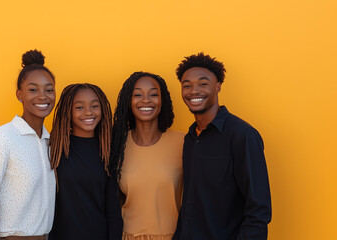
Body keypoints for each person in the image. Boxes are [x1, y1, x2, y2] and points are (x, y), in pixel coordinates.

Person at [172, 53, 272, 240]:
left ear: (217, 87)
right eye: (187, 85)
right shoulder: (190, 139)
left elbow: (259, 211)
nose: (194, 91)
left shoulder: (242, 135)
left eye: (203, 83)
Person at [0, 49, 56, 240]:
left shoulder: (50, 142)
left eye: (49, 89)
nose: (43, 96)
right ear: (19, 95)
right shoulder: (1, 139)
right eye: (33, 90)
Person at [110, 72, 184, 240]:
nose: (146, 100)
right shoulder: (117, 145)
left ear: (162, 100)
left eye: (153, 94)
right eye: (137, 94)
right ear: (129, 101)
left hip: (174, 236)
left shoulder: (183, 143)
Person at [48, 83, 123, 240]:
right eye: (79, 107)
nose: (88, 112)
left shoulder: (108, 150)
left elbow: (113, 210)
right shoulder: (54, 148)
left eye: (94, 106)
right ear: (68, 111)